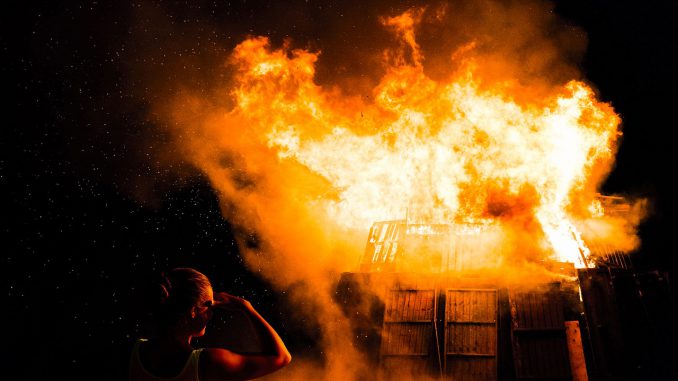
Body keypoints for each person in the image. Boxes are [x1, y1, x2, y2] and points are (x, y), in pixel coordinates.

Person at [129, 268, 291, 381]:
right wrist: (246, 307)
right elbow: (281, 357)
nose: (212, 312)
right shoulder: (207, 363)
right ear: (193, 311)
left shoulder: (130, 353)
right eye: (209, 305)